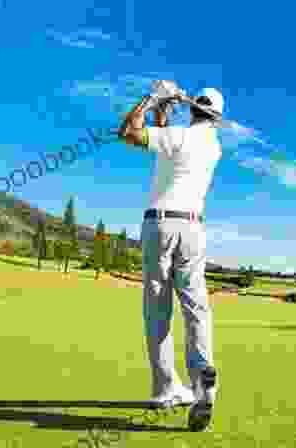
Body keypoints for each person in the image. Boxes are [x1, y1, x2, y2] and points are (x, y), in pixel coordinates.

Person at [116, 86, 224, 432]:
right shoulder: (212, 147)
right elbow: (165, 136)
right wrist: (166, 108)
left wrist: (152, 96)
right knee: (196, 308)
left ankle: (165, 388)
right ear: (216, 118)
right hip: (193, 228)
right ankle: (201, 377)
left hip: (159, 225)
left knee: (158, 311)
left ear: (193, 110)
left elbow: (128, 132)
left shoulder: (177, 137)